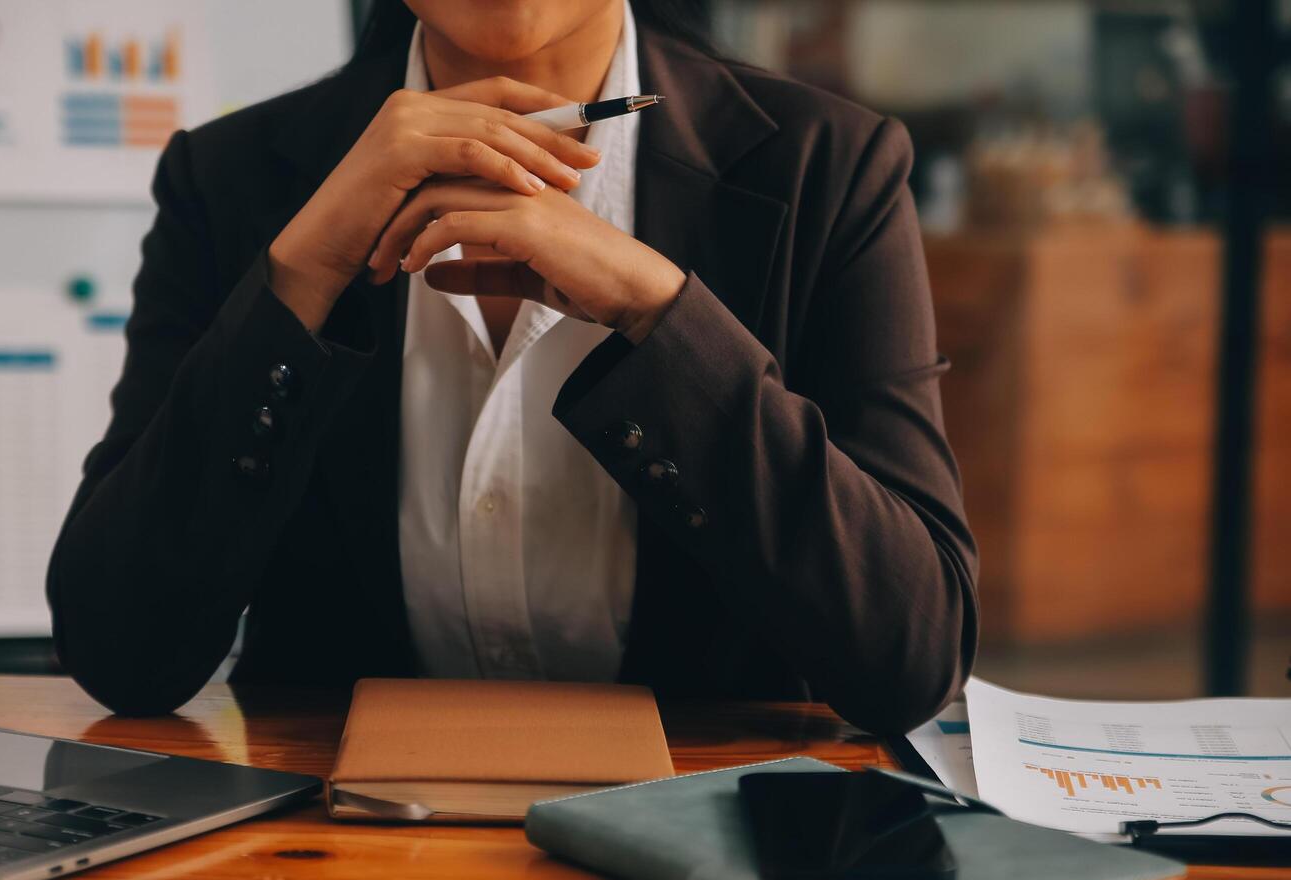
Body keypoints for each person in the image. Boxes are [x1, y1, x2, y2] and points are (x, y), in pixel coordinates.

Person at [47, 0, 978, 735]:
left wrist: (659, 311)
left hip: (720, 857)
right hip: (328, 864)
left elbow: (909, 654)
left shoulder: (830, 166)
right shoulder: (231, 179)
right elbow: (122, 653)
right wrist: (303, 274)